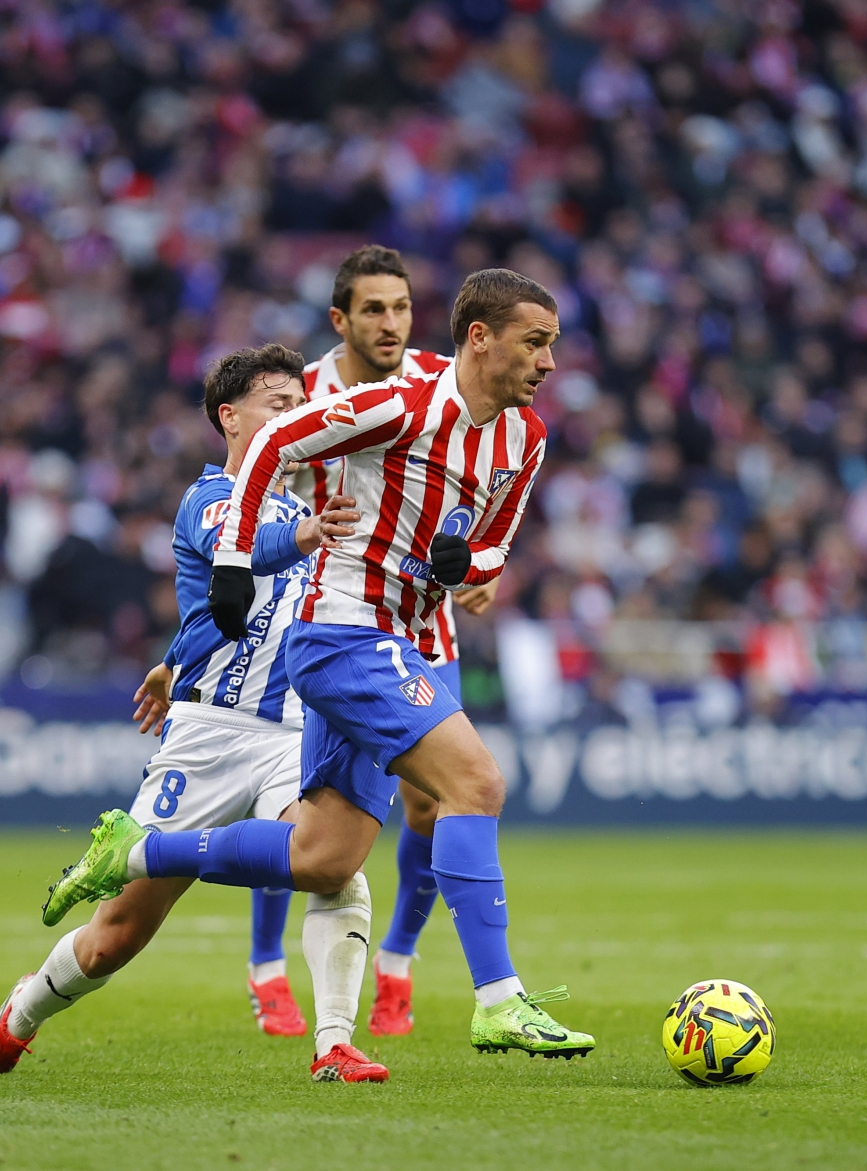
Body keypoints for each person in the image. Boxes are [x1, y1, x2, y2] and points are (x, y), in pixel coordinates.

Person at [43, 269, 596, 1060]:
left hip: (400, 636)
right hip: (342, 633)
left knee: (324, 858)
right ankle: (498, 999)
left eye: (553, 345)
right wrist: (235, 559)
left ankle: (134, 851)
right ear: (481, 337)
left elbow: (494, 549)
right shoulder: (403, 402)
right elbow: (274, 441)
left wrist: (462, 561)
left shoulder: (526, 439)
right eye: (536, 342)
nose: (549, 362)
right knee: (476, 782)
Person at [0, 343, 389, 1084]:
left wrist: (171, 655)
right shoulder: (213, 498)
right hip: (210, 736)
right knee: (115, 936)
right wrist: (303, 536)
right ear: (230, 418)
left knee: (335, 867)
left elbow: (241, 607)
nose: (298, 419)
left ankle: (334, 1043)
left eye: (302, 407)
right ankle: (17, 1017)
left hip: (294, 730)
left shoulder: (311, 504)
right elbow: (247, 553)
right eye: (279, 406)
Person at [295, 244, 501, 1036]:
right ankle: (269, 972)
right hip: (329, 618)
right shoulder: (307, 392)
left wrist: (482, 565)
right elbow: (264, 485)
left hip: (423, 623)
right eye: (374, 309)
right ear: (340, 318)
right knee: (303, 811)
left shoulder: (436, 382)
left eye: (403, 307)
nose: (392, 323)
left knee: (428, 802)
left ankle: (399, 961)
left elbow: (481, 513)